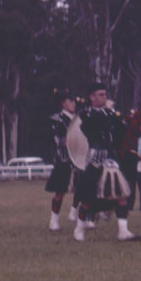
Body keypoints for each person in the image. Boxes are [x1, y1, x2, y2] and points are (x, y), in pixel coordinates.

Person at [71, 83, 141, 242]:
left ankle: (123, 231)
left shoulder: (109, 113)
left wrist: (129, 122)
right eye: (101, 94)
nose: (105, 97)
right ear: (92, 97)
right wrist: (110, 113)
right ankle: (79, 228)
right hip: (96, 158)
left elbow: (121, 131)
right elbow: (94, 127)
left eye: (105, 94)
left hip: (111, 158)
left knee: (121, 194)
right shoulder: (86, 114)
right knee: (88, 198)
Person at [45, 89, 80, 231]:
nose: (73, 104)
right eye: (70, 101)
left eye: (74, 101)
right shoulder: (57, 119)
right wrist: (64, 141)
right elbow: (54, 139)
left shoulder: (78, 119)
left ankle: (76, 214)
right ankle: (54, 220)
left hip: (78, 159)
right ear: (63, 103)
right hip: (64, 158)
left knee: (82, 189)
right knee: (60, 191)